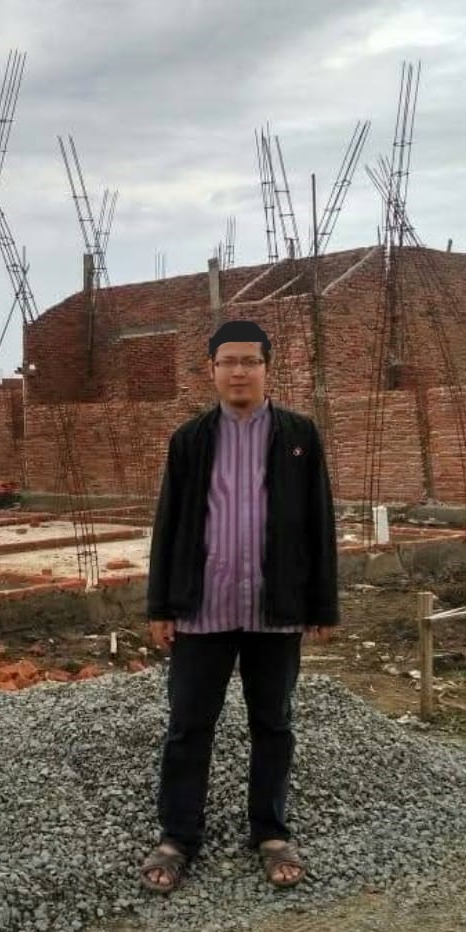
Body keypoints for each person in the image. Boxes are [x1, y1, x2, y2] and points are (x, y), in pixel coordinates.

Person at [140, 319, 339, 894]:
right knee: (188, 727)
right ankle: (178, 837)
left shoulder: (299, 436)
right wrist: (161, 605)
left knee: (273, 724)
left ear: (268, 368)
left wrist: (322, 605)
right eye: (228, 361)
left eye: (250, 361)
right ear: (211, 370)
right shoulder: (190, 439)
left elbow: (319, 522)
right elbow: (169, 524)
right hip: (202, 608)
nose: (239, 371)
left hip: (274, 610)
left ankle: (271, 833)